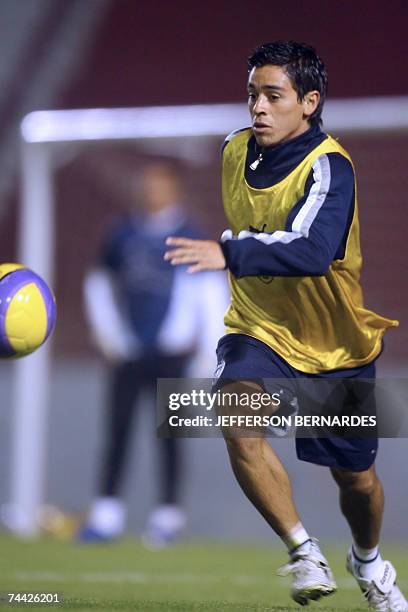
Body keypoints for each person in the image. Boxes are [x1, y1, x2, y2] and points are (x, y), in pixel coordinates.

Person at [165, 42, 407, 610]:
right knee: (236, 416)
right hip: (260, 327)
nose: (258, 108)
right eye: (253, 94)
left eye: (273, 96)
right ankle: (302, 550)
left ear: (309, 102)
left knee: (357, 482)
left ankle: (368, 562)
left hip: (334, 346)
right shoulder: (234, 150)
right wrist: (235, 261)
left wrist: (231, 252)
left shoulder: (330, 165)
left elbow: (314, 249)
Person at [80, 161, 227, 548]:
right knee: (117, 432)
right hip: (128, 352)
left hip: (172, 355)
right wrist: (109, 333)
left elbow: (212, 297)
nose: (150, 191)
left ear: (174, 189)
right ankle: (106, 515)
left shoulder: (190, 236)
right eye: (146, 184)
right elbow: (98, 282)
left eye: (159, 185)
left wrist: (210, 354)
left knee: (171, 438)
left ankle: (167, 517)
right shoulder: (121, 234)